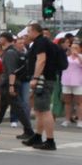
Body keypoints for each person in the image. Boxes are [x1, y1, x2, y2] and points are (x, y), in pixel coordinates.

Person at [23, 22, 65, 151]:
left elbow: (41, 60)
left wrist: (35, 78)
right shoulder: (42, 42)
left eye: (28, 31)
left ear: (35, 31)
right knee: (39, 110)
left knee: (45, 110)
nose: (27, 34)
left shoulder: (40, 42)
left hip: (43, 79)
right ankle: (37, 136)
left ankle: (50, 141)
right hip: (46, 78)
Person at [61, 41, 82, 126]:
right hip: (66, 81)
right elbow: (61, 65)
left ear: (80, 49)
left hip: (78, 82)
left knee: (79, 103)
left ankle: (80, 120)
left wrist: (78, 56)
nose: (74, 49)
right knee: (67, 102)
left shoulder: (80, 56)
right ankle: (67, 119)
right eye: (72, 47)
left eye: (76, 48)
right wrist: (65, 55)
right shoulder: (66, 57)